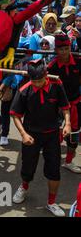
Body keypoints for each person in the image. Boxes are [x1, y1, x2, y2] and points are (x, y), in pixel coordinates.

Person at [10, 59, 71, 217]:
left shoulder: (56, 85)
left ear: (46, 76)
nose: (36, 84)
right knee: (27, 167)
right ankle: (23, 187)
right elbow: (15, 115)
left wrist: (68, 124)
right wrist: (23, 134)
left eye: (40, 80)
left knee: (54, 170)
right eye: (33, 81)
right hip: (32, 134)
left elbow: (65, 108)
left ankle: (51, 202)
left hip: (52, 134)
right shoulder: (24, 90)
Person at [47, 34, 81, 174]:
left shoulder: (79, 61)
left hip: (76, 103)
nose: (64, 52)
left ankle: (68, 161)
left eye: (66, 48)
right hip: (58, 105)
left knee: (74, 134)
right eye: (61, 49)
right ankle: (50, 156)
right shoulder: (52, 67)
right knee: (52, 131)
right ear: (56, 50)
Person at [0, 74, 22, 146]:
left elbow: (11, 74)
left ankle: (4, 135)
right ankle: (0, 123)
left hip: (9, 84)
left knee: (5, 111)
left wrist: (1, 87)